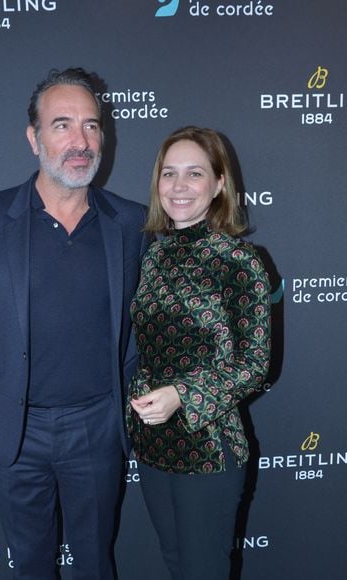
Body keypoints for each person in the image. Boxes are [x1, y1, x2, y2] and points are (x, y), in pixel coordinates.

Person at [0, 67, 149, 579]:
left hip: (98, 426)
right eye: (62, 125)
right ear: (34, 138)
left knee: (96, 563)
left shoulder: (131, 223)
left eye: (92, 125)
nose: (81, 141)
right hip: (14, 430)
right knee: (32, 566)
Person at [127, 126, 271, 579]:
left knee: (203, 571)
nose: (179, 186)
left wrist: (182, 396)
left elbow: (254, 365)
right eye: (169, 174)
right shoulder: (153, 255)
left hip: (209, 447)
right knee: (175, 565)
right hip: (152, 446)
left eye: (194, 173)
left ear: (219, 184)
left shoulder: (239, 260)